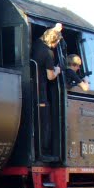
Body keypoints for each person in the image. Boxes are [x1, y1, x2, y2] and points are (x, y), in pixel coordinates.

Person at [31, 23, 63, 155]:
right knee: (44, 119)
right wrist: (58, 70)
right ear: (54, 41)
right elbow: (50, 77)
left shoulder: (37, 43)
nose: (57, 45)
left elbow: (46, 36)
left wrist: (56, 29)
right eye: (57, 42)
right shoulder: (48, 54)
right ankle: (44, 149)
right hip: (41, 90)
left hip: (31, 86)